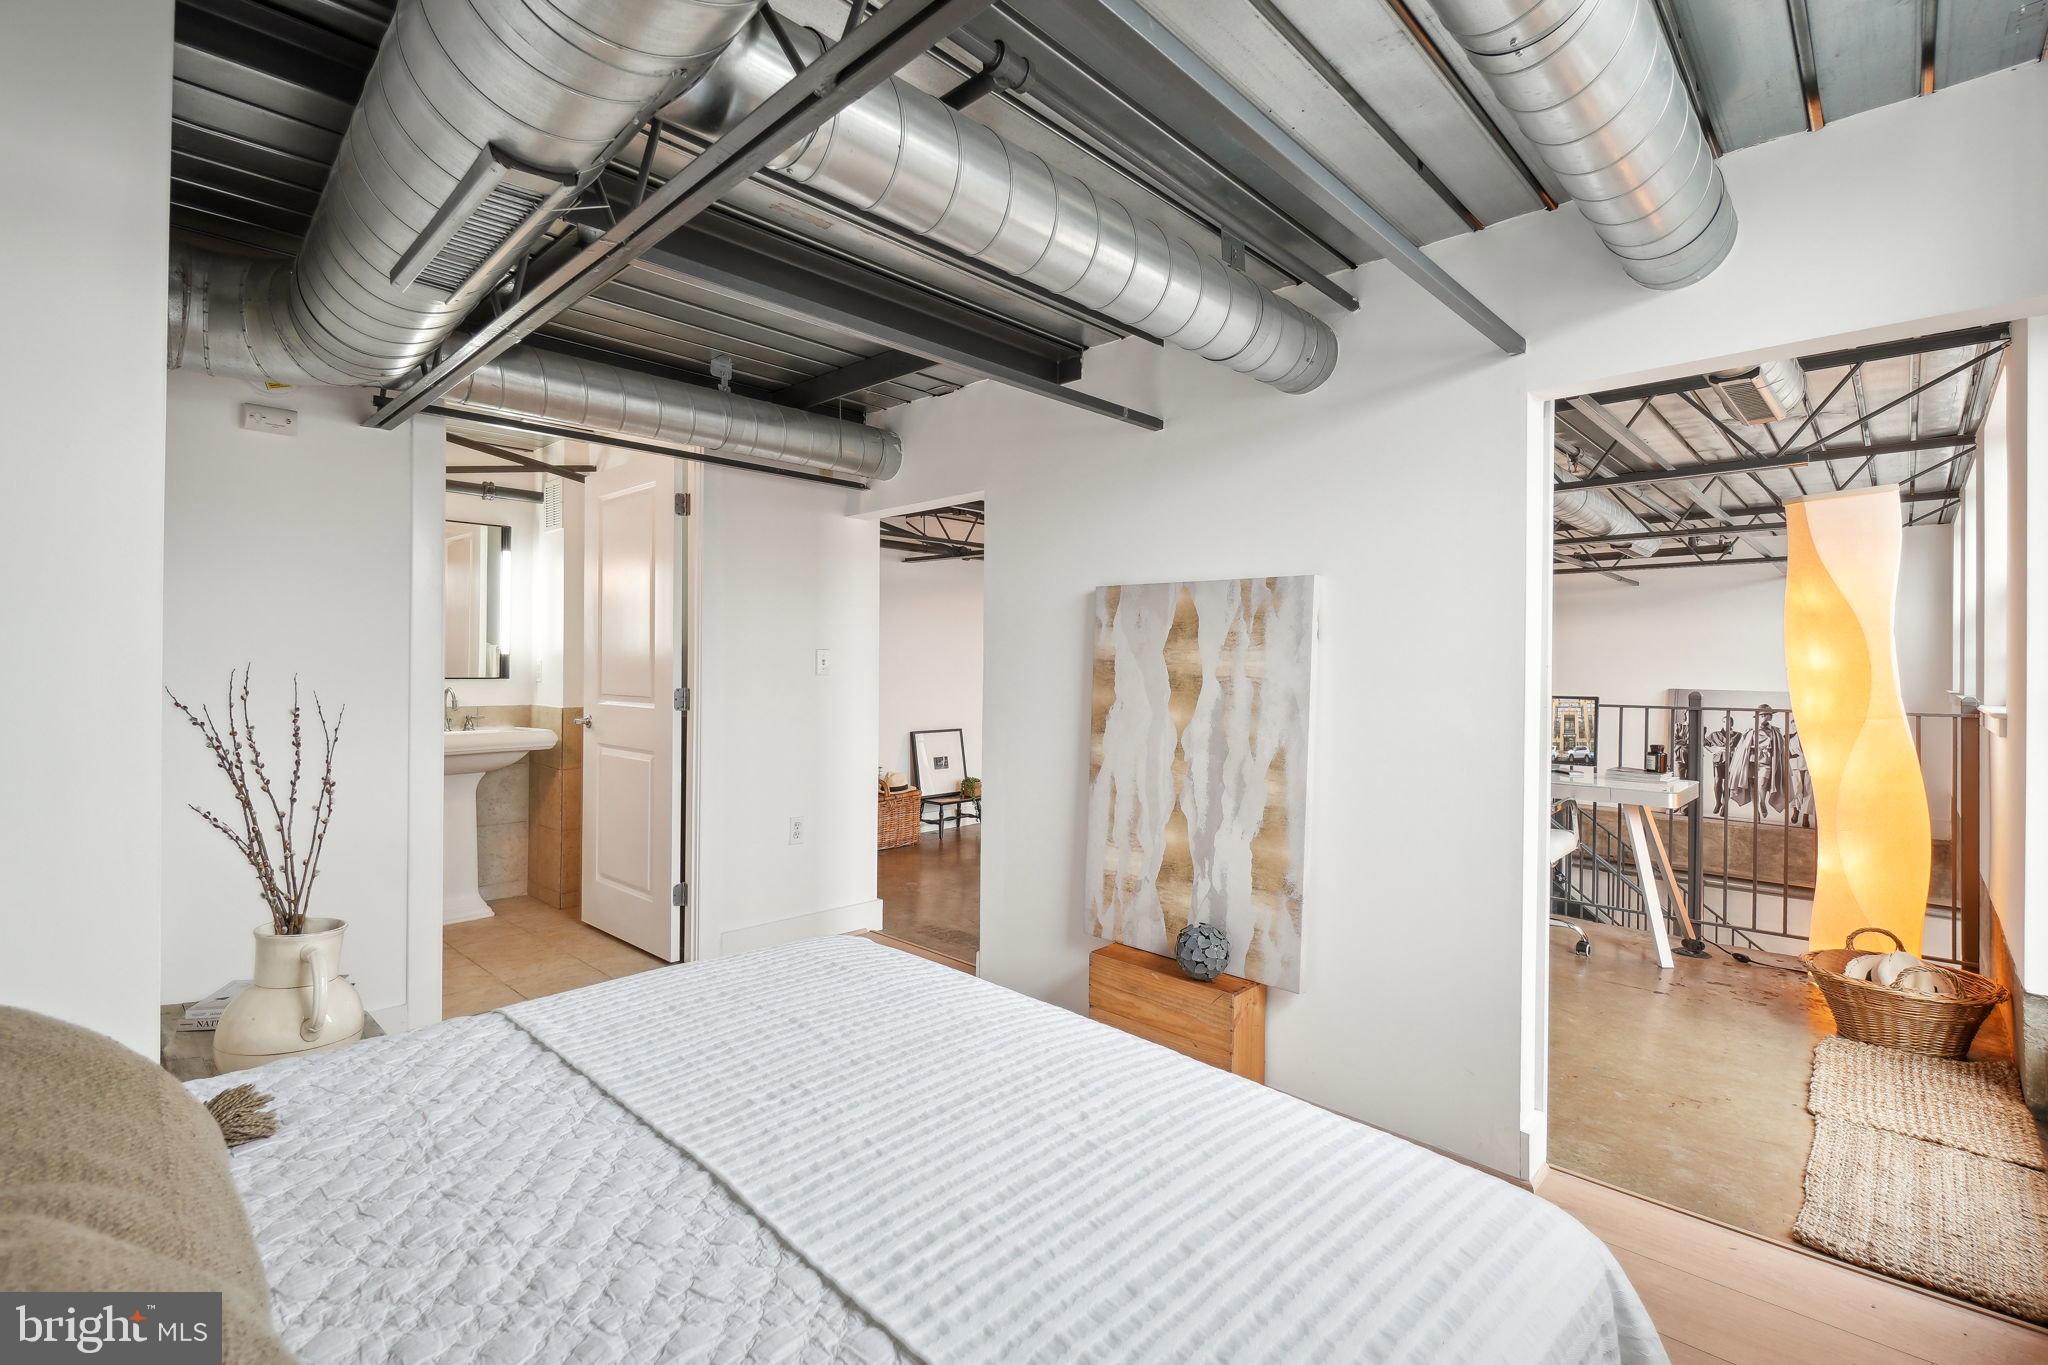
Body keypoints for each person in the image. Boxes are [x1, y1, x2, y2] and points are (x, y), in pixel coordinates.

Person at [1705, 711, 1743, 815]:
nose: (1726, 724)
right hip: (1718, 761)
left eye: (1729, 722)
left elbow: (1744, 747)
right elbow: (1704, 744)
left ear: (1732, 724)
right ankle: (1718, 803)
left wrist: (1734, 750)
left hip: (1732, 762)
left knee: (1728, 784)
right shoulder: (1714, 735)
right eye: (1724, 722)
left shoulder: (1738, 735)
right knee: (1717, 782)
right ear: (1722, 723)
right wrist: (1715, 749)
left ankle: (1725, 806)